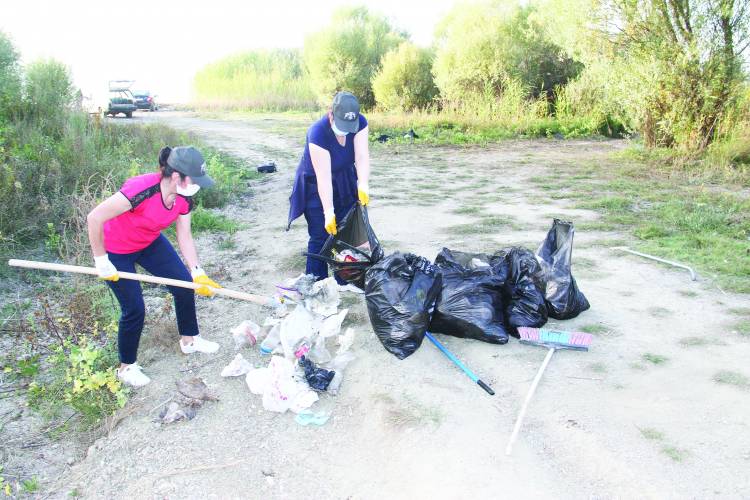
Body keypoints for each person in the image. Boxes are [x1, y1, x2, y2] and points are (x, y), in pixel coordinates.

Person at [87, 146, 222, 387]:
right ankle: (126, 367)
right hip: (117, 250)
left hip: (149, 242)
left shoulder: (185, 197)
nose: (198, 185)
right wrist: (101, 259)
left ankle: (189, 340)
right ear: (177, 176)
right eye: (195, 179)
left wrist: (197, 271)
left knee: (184, 285)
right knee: (135, 308)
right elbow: (94, 217)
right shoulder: (141, 189)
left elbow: (185, 235)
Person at [287, 91, 371, 280]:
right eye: (342, 125)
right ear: (331, 114)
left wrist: (363, 184)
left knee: (347, 231)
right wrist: (328, 213)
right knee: (320, 234)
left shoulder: (360, 123)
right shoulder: (317, 132)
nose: (346, 130)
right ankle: (316, 282)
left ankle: (346, 279)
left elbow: (362, 156)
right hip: (314, 184)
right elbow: (323, 177)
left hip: (344, 179)